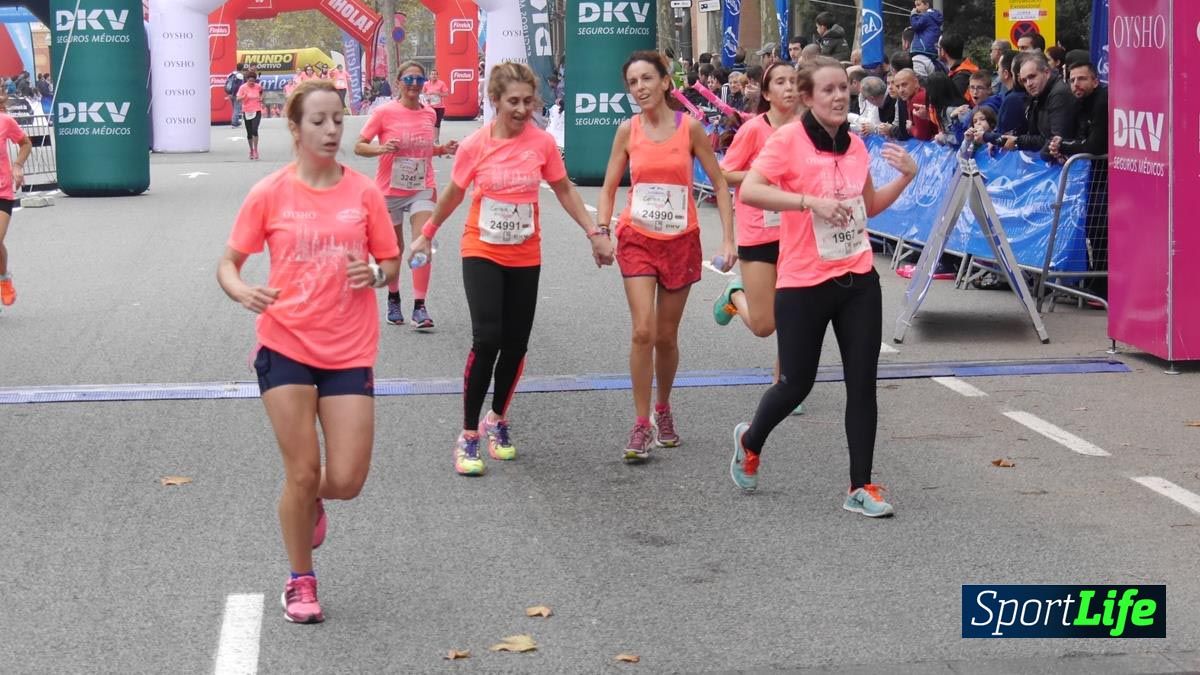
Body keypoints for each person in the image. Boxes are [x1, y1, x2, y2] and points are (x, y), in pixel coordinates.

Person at [217, 79, 401, 624]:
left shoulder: (364, 192)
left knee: (345, 480)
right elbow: (228, 262)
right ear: (294, 130)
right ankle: (300, 579)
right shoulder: (270, 192)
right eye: (318, 121)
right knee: (300, 471)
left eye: (338, 119)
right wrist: (242, 288)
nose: (331, 130)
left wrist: (376, 273)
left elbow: (390, 262)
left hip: (348, 348)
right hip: (286, 343)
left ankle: (309, 498)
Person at [731, 56, 918, 518]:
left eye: (843, 89)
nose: (839, 97)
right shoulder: (786, 141)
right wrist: (806, 201)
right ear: (808, 97)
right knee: (796, 384)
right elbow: (751, 190)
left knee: (863, 382)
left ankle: (861, 486)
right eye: (828, 90)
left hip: (857, 279)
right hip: (803, 280)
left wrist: (907, 177)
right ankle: (750, 440)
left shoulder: (855, 146)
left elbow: (868, 206)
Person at [409, 62, 614, 476]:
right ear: (495, 101)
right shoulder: (475, 145)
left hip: (524, 252)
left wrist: (594, 231)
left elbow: (564, 190)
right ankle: (468, 434)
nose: (522, 109)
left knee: (516, 343)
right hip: (481, 248)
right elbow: (453, 192)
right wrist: (427, 233)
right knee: (488, 338)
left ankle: (497, 419)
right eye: (513, 102)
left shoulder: (540, 144)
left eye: (528, 101)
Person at [597, 50, 737, 462]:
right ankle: (642, 424)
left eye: (646, 79)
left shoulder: (689, 128)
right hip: (638, 237)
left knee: (665, 336)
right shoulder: (627, 131)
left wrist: (729, 240)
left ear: (664, 82)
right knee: (642, 331)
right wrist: (602, 231)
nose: (639, 87)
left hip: (680, 240)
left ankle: (664, 407)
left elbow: (720, 182)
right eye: (632, 82)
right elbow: (607, 189)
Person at [713, 62, 806, 414]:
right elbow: (723, 173)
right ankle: (734, 294)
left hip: (798, 230)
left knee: (794, 310)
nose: (788, 88)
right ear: (766, 93)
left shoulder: (806, 129)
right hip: (758, 228)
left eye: (793, 81)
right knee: (766, 325)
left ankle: (784, 381)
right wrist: (759, 176)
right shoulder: (754, 130)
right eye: (779, 82)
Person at [356, 62, 458, 331]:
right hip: (389, 191)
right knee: (394, 250)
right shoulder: (383, 113)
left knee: (422, 242)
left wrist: (440, 149)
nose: (414, 83)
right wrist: (380, 150)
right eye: (409, 79)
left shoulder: (428, 114)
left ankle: (420, 306)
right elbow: (359, 146)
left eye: (419, 79)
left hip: (422, 187)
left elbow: (423, 149)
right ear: (398, 81)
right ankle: (393, 298)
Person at [0, 89, 31, 311]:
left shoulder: (5, 121)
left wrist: (18, 166)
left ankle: (3, 279)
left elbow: (26, 143)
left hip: (1, 190)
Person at [236, 70, 265, 160]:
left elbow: (262, 92)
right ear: (247, 80)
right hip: (247, 111)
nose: (251, 83)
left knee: (254, 130)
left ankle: (256, 150)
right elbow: (238, 99)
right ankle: (251, 150)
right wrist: (243, 97)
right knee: (249, 132)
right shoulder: (242, 88)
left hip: (257, 110)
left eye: (253, 81)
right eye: (250, 81)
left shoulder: (257, 87)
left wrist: (261, 98)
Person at [422, 68, 450, 143]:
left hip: (440, 107)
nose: (433, 76)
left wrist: (438, 93)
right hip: (430, 106)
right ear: (429, 76)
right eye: (432, 74)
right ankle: (430, 138)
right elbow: (423, 93)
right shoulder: (426, 84)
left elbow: (446, 94)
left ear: (437, 76)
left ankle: (436, 139)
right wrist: (426, 97)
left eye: (435, 74)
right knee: (430, 123)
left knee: (437, 123)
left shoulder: (441, 83)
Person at [225, 63, 245, 128]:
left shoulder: (231, 74)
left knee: (234, 108)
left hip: (230, 93)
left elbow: (227, 84)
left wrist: (229, 94)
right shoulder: (240, 75)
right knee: (237, 108)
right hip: (237, 94)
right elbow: (238, 86)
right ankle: (234, 123)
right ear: (242, 68)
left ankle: (236, 121)